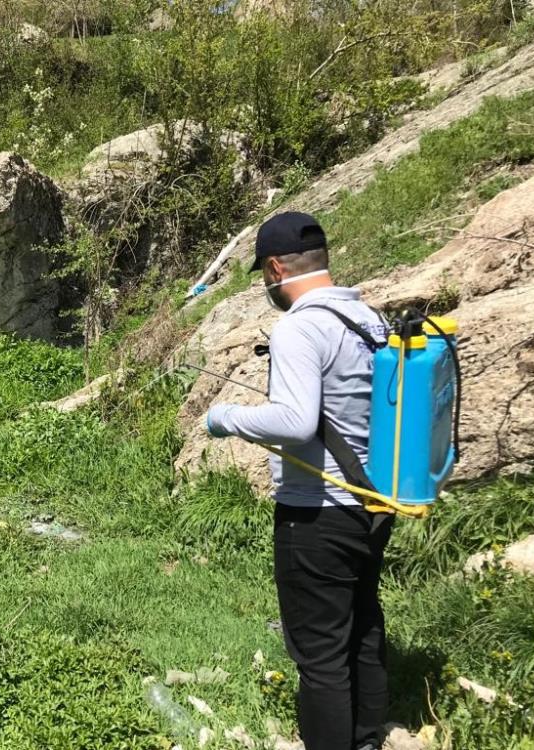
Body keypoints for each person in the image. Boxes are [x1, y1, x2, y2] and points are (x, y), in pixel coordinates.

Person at [204, 212, 394, 750]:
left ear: (274, 268)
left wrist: (226, 418)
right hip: (371, 502)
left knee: (320, 654)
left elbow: (294, 422)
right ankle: (367, 739)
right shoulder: (367, 320)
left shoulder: (299, 327)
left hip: (317, 512)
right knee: (362, 625)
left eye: (265, 278)